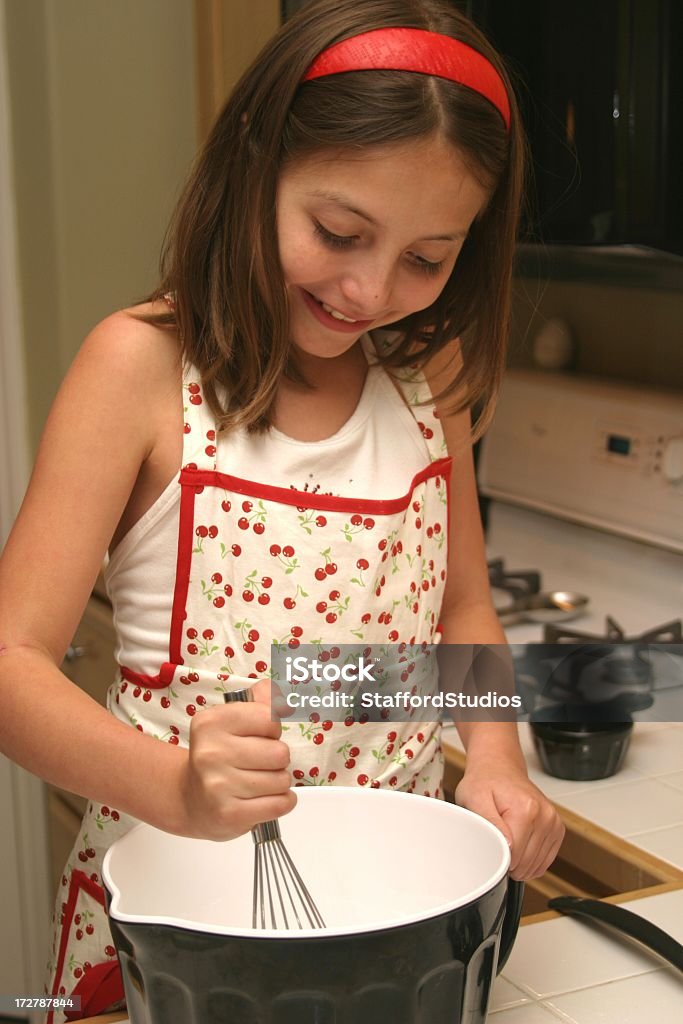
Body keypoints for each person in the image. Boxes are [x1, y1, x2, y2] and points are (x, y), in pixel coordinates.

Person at [0, 0, 564, 1018]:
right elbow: (9, 668)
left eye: (426, 257)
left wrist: (493, 754)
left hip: (396, 921)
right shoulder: (138, 369)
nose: (368, 288)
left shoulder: (428, 379)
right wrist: (174, 789)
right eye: (337, 231)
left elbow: (459, 618)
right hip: (178, 923)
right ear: (255, 165)